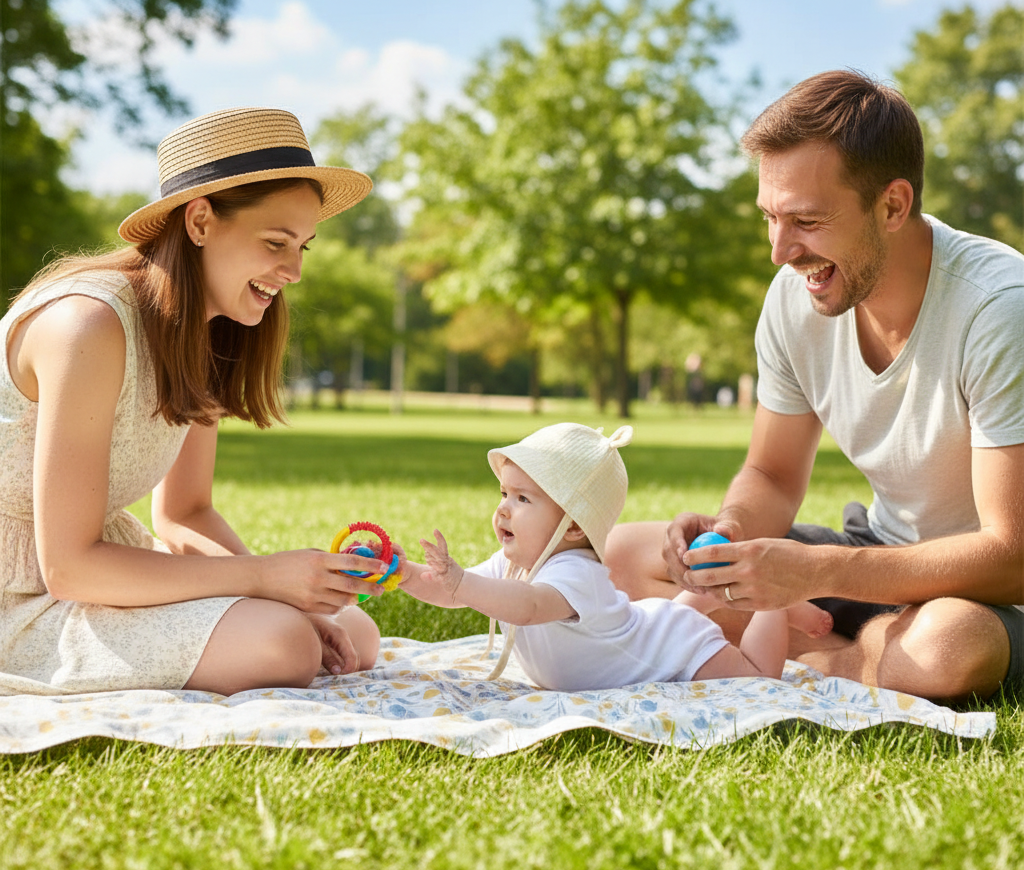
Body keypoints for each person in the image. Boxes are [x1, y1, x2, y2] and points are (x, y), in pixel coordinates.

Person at [605, 70, 1024, 702]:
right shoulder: (797, 298)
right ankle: (858, 651)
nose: (779, 250)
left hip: (992, 591)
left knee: (946, 645)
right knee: (621, 553)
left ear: (892, 205)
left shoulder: (998, 311)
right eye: (770, 217)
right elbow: (772, 475)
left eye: (805, 219)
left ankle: (811, 658)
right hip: (880, 553)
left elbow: (1010, 555)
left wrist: (813, 571)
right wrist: (732, 532)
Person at [0, 106, 386, 698]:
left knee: (352, 631)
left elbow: (184, 515)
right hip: (24, 591)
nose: (294, 271)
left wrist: (286, 589)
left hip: (94, 572)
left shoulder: (205, 333)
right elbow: (69, 566)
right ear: (200, 221)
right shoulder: (89, 324)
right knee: (284, 643)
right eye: (276, 242)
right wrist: (261, 578)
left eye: (304, 246)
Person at [398, 423, 831, 692]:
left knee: (756, 677)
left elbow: (528, 608)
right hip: (654, 623)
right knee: (674, 613)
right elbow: (452, 594)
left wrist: (462, 582)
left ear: (572, 526)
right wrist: (401, 573)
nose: (504, 509)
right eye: (505, 494)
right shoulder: (516, 565)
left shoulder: (574, 574)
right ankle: (717, 587)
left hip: (670, 646)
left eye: (523, 498)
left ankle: (775, 601)